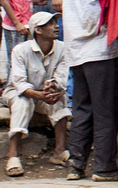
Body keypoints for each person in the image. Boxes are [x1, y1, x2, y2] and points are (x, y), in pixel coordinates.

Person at [63, 0, 118, 181]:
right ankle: (105, 166)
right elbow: (106, 11)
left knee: (82, 109)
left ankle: (76, 164)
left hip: (77, 54)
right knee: (106, 110)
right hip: (99, 51)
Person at [3, 12, 70, 177]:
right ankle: (13, 155)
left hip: (44, 94)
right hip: (19, 92)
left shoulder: (62, 48)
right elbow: (19, 82)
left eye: (56, 22)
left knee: (59, 100)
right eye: (50, 23)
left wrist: (53, 88)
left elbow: (62, 77)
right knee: (23, 102)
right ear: (38, 30)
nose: (56, 26)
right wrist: (38, 95)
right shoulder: (21, 50)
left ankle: (60, 151)